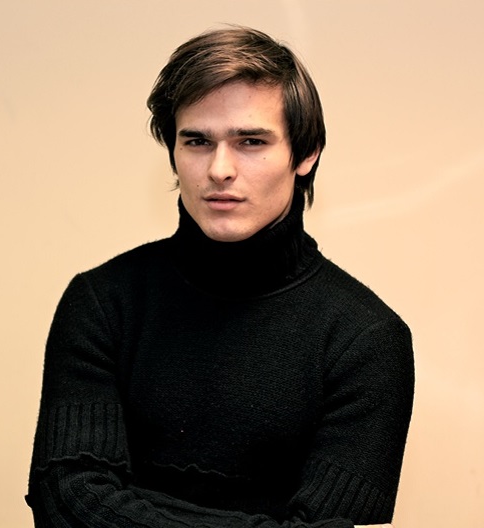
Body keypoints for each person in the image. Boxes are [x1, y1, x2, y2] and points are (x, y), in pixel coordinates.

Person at [26, 26, 414, 528]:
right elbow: (64, 501)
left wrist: (123, 506)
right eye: (197, 141)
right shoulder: (103, 303)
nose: (219, 169)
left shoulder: (366, 339)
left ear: (306, 154)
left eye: (250, 141)